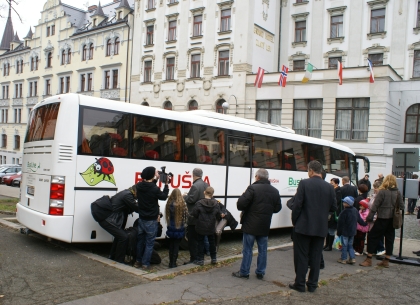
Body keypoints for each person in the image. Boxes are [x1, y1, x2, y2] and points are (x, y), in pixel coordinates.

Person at [289, 161, 336, 293]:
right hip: (321, 227)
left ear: (310, 171)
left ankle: (300, 283)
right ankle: (312, 284)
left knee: (301, 256)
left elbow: (297, 205)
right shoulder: (329, 187)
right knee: (316, 256)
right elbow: (333, 207)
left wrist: (295, 221)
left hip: (303, 226)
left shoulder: (304, 183)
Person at [232, 168, 281, 280]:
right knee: (263, 250)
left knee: (248, 249)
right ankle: (260, 272)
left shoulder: (252, 188)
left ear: (257, 177)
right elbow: (278, 208)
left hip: (250, 224)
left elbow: (240, 204)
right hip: (264, 225)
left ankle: (244, 272)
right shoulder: (274, 191)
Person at [360, 174, 404, 268]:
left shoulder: (382, 192)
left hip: (382, 218)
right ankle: (386, 260)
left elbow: (374, 206)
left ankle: (369, 259)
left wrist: (369, 217)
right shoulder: (397, 192)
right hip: (392, 219)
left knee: (372, 237)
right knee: (389, 239)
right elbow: (402, 206)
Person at [134, 166, 169, 269]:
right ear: (151, 175)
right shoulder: (154, 189)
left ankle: (138, 261)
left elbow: (148, 186)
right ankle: (145, 264)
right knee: (149, 243)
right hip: (151, 220)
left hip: (141, 218)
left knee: (140, 241)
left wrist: (156, 179)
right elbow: (163, 197)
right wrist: (166, 185)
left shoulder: (139, 186)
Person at [95, 186, 138, 264]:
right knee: (123, 237)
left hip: (108, 218)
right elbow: (137, 208)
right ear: (136, 191)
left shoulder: (126, 192)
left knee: (119, 236)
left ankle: (113, 256)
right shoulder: (127, 195)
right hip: (108, 219)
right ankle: (119, 260)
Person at [183, 168, 209, 264]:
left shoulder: (195, 186)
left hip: (194, 217)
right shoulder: (206, 185)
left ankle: (194, 258)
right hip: (203, 217)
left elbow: (191, 200)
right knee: (200, 239)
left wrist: (185, 196)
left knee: (192, 240)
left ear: (193, 175)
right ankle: (200, 258)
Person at [191, 186, 222, 266]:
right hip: (211, 226)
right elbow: (218, 215)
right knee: (212, 242)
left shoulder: (199, 203)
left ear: (204, 192)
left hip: (200, 226)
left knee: (200, 242)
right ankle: (214, 258)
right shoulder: (216, 204)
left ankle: (200, 260)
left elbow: (195, 214)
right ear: (212, 194)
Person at [336, 196, 367, 264]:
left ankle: (343, 258)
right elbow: (359, 220)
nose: (343, 203)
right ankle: (352, 258)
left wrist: (339, 232)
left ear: (347, 203)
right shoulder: (355, 210)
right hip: (353, 231)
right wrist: (365, 224)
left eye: (344, 202)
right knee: (350, 245)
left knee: (344, 245)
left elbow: (340, 223)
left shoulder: (344, 212)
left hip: (345, 231)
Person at [165, 189, 188, 268]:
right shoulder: (181, 204)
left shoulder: (169, 204)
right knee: (176, 246)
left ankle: (170, 262)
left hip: (171, 227)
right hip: (179, 227)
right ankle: (174, 263)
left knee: (171, 245)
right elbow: (186, 216)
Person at [324, 178, 342, 251]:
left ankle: (330, 246)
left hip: (334, 213)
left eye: (332, 183)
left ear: (336, 184)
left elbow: (335, 202)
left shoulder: (338, 192)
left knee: (331, 230)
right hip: (329, 212)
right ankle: (327, 244)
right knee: (327, 229)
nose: (331, 184)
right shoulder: (332, 191)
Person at [368, 181, 386, 256]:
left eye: (376, 188)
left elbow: (376, 208)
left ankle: (380, 248)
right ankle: (374, 249)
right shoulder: (374, 195)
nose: (375, 189)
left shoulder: (381, 196)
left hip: (376, 218)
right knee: (373, 234)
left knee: (376, 234)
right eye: (374, 187)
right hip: (372, 217)